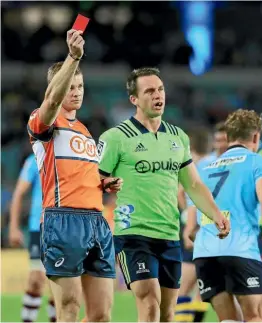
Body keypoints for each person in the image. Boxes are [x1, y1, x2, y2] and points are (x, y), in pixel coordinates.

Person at [97, 66, 230, 322]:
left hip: (168, 234)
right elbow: (93, 177)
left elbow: (193, 185)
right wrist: (105, 183)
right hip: (132, 233)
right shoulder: (116, 138)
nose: (158, 95)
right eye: (149, 91)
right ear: (134, 99)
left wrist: (215, 215)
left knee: (167, 312)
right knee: (149, 299)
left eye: (160, 89)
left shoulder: (177, 137)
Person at [26, 29, 122, 322]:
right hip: (62, 219)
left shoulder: (86, 133)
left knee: (101, 314)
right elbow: (52, 101)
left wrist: (104, 184)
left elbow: (85, 177)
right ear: (57, 87)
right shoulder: (43, 122)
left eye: (80, 86)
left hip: (97, 222)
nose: (76, 91)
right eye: (70, 86)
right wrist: (73, 56)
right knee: (68, 308)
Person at [193, 109, 262, 322]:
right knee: (257, 316)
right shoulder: (259, 164)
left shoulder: (205, 168)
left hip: (205, 252)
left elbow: (194, 206)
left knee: (228, 319)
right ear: (256, 137)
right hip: (240, 249)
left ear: (227, 137)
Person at [8, 155, 56, 323]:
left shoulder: (68, 156)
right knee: (36, 279)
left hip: (65, 228)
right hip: (39, 227)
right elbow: (19, 193)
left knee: (58, 285)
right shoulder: (34, 160)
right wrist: (14, 227)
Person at [175, 127, 213, 323]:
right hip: (208, 228)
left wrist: (185, 215)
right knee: (203, 285)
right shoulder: (214, 163)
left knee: (185, 285)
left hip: (192, 227)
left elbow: (181, 192)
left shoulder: (194, 165)